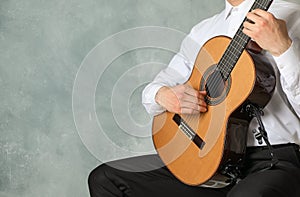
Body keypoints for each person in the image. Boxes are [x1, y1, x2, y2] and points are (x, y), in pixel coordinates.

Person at [88, 0, 300, 196]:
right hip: (207, 161)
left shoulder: (294, 17)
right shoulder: (203, 31)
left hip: (275, 161)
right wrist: (164, 95)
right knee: (106, 179)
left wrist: (284, 49)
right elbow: (156, 89)